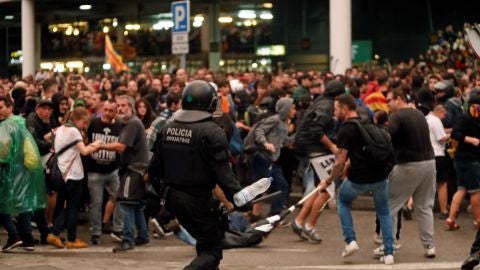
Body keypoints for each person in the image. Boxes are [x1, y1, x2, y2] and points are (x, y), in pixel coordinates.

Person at [149, 80, 246, 270]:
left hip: (174, 198)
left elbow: (153, 170)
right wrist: (242, 198)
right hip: (198, 199)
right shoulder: (212, 131)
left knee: (204, 243)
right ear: (210, 103)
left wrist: (164, 194)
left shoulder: (167, 128)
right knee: (212, 252)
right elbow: (224, 176)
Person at [318, 94, 394, 265]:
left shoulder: (346, 129)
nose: (334, 112)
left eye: (336, 109)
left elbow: (340, 162)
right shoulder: (366, 121)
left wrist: (328, 180)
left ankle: (350, 241)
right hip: (380, 176)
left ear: (345, 109)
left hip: (358, 179)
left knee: (342, 202)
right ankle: (389, 253)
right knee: (384, 212)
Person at [385, 88, 436, 258]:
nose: (387, 104)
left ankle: (389, 245)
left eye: (389, 100)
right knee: (424, 206)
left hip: (408, 164)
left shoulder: (397, 116)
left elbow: (386, 137)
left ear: (398, 99)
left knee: (390, 205)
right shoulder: (419, 115)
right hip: (429, 162)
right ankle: (429, 246)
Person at [290, 80, 344, 243]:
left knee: (319, 186)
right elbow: (316, 129)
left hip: (309, 147)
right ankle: (309, 226)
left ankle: (300, 221)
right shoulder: (326, 106)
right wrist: (333, 147)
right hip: (316, 148)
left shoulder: (321, 101)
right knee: (328, 189)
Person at [97, 95, 150, 252]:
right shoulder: (128, 122)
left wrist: (100, 146)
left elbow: (121, 147)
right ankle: (143, 235)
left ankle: (128, 240)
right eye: (118, 106)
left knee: (125, 203)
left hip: (134, 169)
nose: (119, 109)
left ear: (131, 107)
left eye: (123, 106)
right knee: (136, 204)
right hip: (137, 169)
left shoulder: (132, 123)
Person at [46, 107, 101, 249]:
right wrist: (96, 145)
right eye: (84, 122)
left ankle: (61, 234)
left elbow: (47, 136)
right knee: (72, 207)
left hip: (62, 172)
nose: (85, 126)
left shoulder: (60, 129)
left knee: (66, 205)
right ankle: (65, 236)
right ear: (78, 119)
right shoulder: (74, 131)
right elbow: (84, 151)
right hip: (74, 174)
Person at [0, 96, 46, 251]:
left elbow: (3, 152)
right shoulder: (21, 122)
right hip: (24, 168)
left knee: (2, 203)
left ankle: (14, 236)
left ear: (9, 107)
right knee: (23, 205)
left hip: (10, 170)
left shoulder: (7, 125)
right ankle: (28, 239)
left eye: (0, 108)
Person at [244, 97, 296, 218]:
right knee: (261, 187)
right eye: (293, 108)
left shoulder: (283, 123)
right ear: (286, 109)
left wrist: (297, 137)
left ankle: (274, 216)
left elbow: (284, 141)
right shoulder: (275, 120)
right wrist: (265, 143)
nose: (295, 110)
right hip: (262, 157)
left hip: (271, 160)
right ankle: (255, 215)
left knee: (282, 185)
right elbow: (259, 131)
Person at [86, 100, 123, 245]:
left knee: (119, 198)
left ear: (116, 112)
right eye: (105, 110)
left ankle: (118, 228)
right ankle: (96, 232)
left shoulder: (119, 126)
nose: (107, 113)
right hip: (95, 170)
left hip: (113, 169)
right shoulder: (94, 123)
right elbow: (86, 139)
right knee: (96, 203)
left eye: (111, 111)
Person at [451, 95, 480, 270]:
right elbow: (456, 133)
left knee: (464, 189)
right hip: (467, 160)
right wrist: (470, 140)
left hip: (472, 160)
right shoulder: (465, 118)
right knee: (473, 190)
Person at [426, 105, 451, 219]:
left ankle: (410, 206)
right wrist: (453, 135)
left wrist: (448, 130)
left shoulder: (426, 119)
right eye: (444, 115)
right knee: (442, 183)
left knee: (424, 183)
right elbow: (441, 137)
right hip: (438, 154)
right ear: (440, 112)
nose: (444, 117)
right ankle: (444, 210)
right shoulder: (436, 120)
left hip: (427, 154)